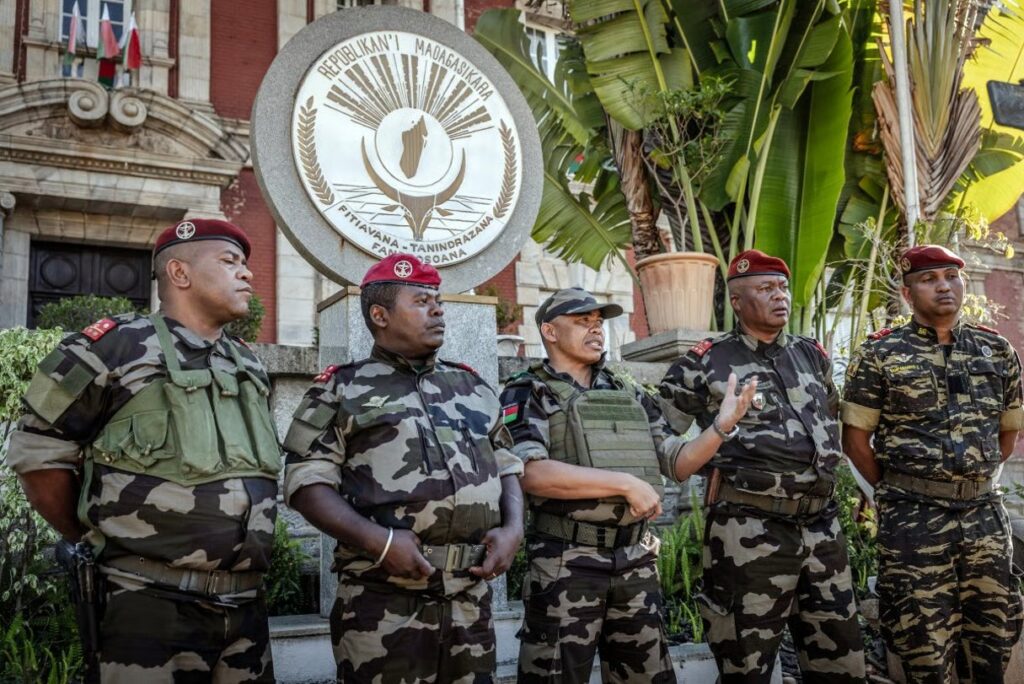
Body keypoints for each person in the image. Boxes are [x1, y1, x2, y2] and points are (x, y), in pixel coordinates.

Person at [6, 218, 280, 682]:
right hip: (148, 606)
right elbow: (38, 455)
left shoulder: (247, 362)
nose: (247, 274)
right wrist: (90, 536)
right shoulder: (111, 348)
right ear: (179, 274)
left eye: (246, 264)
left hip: (246, 609)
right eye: (230, 262)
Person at [283, 253, 523, 683]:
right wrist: (378, 540)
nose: (437, 309)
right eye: (421, 301)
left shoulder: (471, 385)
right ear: (380, 315)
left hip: (470, 601)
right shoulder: (342, 388)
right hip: (383, 607)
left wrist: (514, 529)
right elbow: (305, 481)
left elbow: (507, 465)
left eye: (438, 300)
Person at [500, 287, 757, 683]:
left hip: (633, 561)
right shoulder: (529, 390)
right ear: (549, 332)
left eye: (598, 322)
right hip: (567, 562)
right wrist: (624, 484)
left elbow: (676, 462)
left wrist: (722, 426)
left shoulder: (626, 390)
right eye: (581, 322)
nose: (595, 330)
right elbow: (530, 473)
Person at [659, 250, 866, 683]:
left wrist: (866, 488)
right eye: (766, 288)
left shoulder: (811, 355)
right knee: (746, 666)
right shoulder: (706, 362)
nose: (781, 296)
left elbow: (833, 423)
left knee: (841, 664)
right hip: (748, 533)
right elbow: (659, 433)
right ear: (737, 301)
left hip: (822, 528)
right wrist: (710, 436)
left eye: (783, 287)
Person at [841, 244, 1024, 683]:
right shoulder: (880, 354)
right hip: (913, 519)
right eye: (928, 279)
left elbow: (1008, 435)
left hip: (984, 516)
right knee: (921, 642)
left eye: (951, 276)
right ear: (907, 294)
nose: (943, 286)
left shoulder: (996, 350)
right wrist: (899, 490)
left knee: (993, 637)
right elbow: (855, 441)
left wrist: (969, 481)